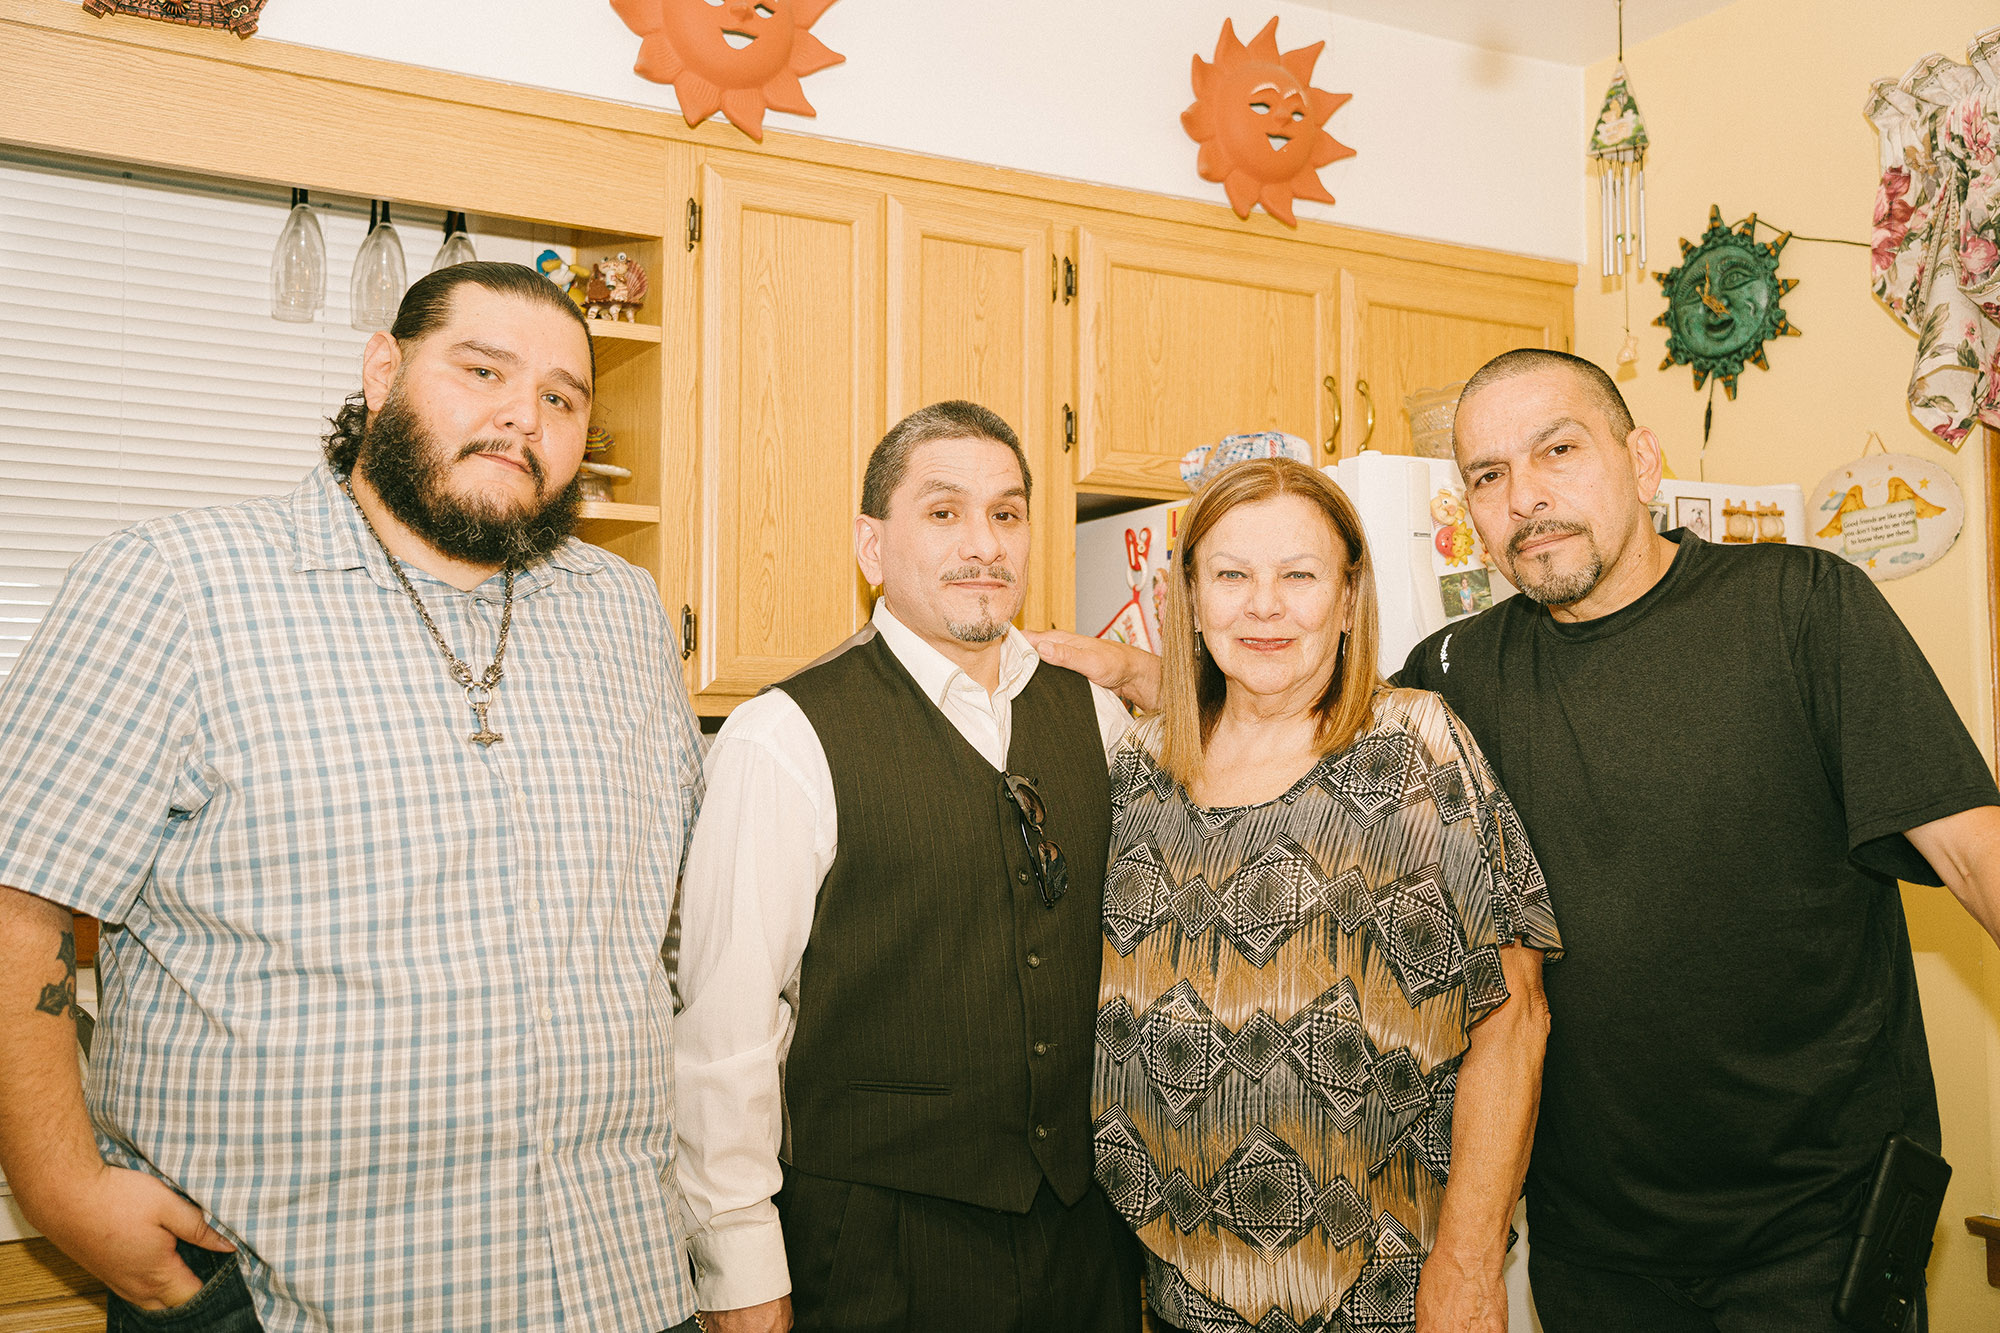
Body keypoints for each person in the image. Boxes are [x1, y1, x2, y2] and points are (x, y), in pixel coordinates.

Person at [1039, 350, 2000, 1331]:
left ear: (1641, 460)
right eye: (1488, 475)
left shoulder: (1798, 606)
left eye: (1557, 450)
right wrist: (1133, 670)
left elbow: (1973, 851)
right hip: (1593, 1241)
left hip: (1813, 1229)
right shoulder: (1458, 675)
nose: (1525, 497)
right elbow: (1295, 726)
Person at [0, 262, 705, 1333]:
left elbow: (670, 923)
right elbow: (20, 905)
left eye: (561, 398)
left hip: (614, 1279)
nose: (522, 415)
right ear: (382, 371)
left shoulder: (624, 612)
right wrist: (64, 1193)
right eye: (482, 370)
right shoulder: (179, 582)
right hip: (298, 1291)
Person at [673, 400, 1142, 1333]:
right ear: (873, 545)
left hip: (1081, 1238)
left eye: (1006, 514)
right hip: (875, 1250)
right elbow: (724, 1032)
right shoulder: (784, 737)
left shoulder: (1098, 715)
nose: (984, 543)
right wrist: (741, 1271)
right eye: (943, 511)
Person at [1089, 457, 1559, 1333]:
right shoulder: (1134, 772)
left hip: (1385, 1295)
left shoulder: (1417, 752)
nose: (1263, 605)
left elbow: (1514, 1017)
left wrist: (1466, 1265)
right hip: (1170, 1290)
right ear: (1189, 598)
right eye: (1231, 575)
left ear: (1348, 600)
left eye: (1298, 575)